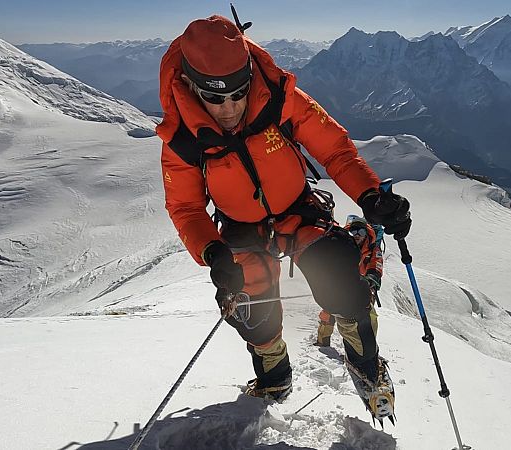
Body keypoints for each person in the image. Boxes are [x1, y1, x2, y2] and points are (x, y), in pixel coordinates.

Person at [156, 15, 411, 421]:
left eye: (238, 94)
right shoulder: (182, 139)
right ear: (190, 85)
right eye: (215, 98)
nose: (229, 109)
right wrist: (213, 253)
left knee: (343, 283)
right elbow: (186, 208)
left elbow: (334, 150)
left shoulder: (280, 98)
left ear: (249, 76)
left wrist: (370, 194)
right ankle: (275, 378)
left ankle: (367, 367)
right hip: (241, 229)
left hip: (298, 211)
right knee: (250, 310)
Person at [315, 215, 384, 348]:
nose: (357, 235)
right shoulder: (342, 244)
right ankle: (323, 341)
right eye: (354, 231)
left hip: (363, 286)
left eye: (361, 232)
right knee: (328, 310)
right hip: (342, 283)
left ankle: (366, 346)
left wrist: (371, 278)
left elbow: (376, 265)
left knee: (365, 317)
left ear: (367, 234)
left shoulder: (373, 249)